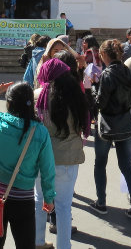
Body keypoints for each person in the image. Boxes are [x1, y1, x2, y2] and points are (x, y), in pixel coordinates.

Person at [0, 81, 55, 249]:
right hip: (23, 199)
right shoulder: (40, 131)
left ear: (9, 103)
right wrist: (49, 198)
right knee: (25, 244)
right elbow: (47, 169)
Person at [34, 59, 87, 249]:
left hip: (42, 158)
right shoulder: (77, 96)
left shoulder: (38, 96)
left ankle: (38, 241)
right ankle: (64, 246)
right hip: (69, 158)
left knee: (40, 200)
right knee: (64, 206)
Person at [89, 39, 131, 223]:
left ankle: (101, 202)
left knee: (100, 163)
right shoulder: (128, 72)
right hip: (125, 122)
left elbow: (100, 103)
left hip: (107, 124)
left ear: (104, 55)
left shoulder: (107, 74)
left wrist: (93, 90)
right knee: (126, 166)